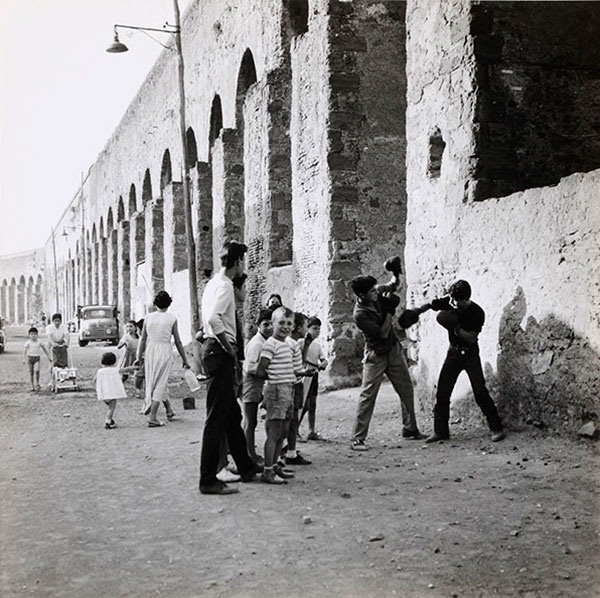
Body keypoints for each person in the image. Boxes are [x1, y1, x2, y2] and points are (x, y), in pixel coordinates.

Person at [199, 240, 261, 495]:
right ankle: (207, 479)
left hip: (213, 349)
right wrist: (228, 345)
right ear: (237, 262)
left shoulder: (213, 283)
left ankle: (246, 467)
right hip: (219, 349)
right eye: (242, 261)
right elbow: (214, 318)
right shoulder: (224, 286)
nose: (242, 266)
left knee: (232, 415)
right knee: (216, 419)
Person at [350, 258, 423, 451]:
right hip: (376, 355)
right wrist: (390, 310)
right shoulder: (360, 314)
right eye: (372, 291)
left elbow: (393, 285)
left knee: (406, 388)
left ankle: (410, 429)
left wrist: (396, 272)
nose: (376, 292)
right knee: (368, 394)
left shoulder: (375, 293)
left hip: (394, 350)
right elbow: (382, 333)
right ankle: (358, 438)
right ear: (361, 295)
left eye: (375, 289)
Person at [426, 280, 505, 443]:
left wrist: (455, 327)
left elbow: (471, 338)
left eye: (457, 301)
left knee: (480, 392)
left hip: (470, 354)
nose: (454, 303)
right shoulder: (451, 302)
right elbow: (435, 308)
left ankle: (496, 428)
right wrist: (437, 305)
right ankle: (440, 431)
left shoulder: (477, 312)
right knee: (442, 392)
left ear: (465, 299)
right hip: (453, 352)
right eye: (452, 299)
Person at [257, 306, 314, 484]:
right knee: (273, 433)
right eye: (281, 322)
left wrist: (305, 373)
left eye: (289, 323)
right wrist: (274, 380)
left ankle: (275, 466)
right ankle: (267, 471)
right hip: (276, 390)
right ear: (273, 324)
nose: (285, 326)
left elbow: (295, 369)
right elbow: (260, 370)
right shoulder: (270, 344)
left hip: (289, 389)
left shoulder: (290, 345)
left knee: (283, 431)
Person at [136, 291, 189, 427]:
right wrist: (185, 359)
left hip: (150, 350)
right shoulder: (171, 319)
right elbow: (177, 342)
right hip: (164, 350)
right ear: (169, 303)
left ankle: (169, 410)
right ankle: (152, 417)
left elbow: (143, 339)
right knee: (161, 382)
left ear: (155, 304)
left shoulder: (148, 317)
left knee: (155, 380)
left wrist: (138, 356)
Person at [242, 308, 273, 462]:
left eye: (271, 324)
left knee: (251, 421)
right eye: (265, 324)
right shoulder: (256, 344)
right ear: (259, 325)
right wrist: (268, 373)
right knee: (250, 421)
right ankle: (249, 455)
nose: (269, 328)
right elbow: (250, 367)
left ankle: (249, 453)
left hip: (258, 384)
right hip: (251, 384)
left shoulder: (264, 342)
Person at [283, 312, 312, 465]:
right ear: (298, 327)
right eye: (306, 326)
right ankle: (287, 452)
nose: (307, 329)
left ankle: (291, 451)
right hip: (291, 384)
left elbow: (299, 361)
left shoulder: (295, 343)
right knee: (290, 419)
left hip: (296, 382)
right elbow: (288, 368)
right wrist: (303, 372)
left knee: (294, 419)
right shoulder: (287, 343)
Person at [298, 316, 328, 440]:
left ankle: (311, 430)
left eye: (319, 329)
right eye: (314, 328)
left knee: (312, 404)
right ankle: (296, 429)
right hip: (304, 375)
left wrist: (324, 363)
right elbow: (300, 358)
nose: (317, 331)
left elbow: (323, 358)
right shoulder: (301, 343)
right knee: (302, 404)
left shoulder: (317, 345)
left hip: (314, 375)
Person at [96, 351, 133, 429]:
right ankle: (108, 421)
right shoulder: (115, 370)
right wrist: (134, 367)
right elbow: (126, 369)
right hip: (112, 393)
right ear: (113, 361)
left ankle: (110, 420)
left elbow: (95, 380)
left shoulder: (100, 371)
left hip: (103, 393)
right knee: (111, 408)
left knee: (109, 407)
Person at [23, 327, 51, 391]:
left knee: (37, 370)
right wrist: (24, 359)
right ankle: (32, 385)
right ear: (29, 335)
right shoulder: (28, 343)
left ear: (37, 335)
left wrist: (48, 356)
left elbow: (45, 349)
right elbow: (24, 351)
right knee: (31, 372)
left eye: (35, 334)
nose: (33, 335)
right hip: (30, 358)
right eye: (32, 334)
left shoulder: (39, 342)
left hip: (37, 358)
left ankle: (37, 383)